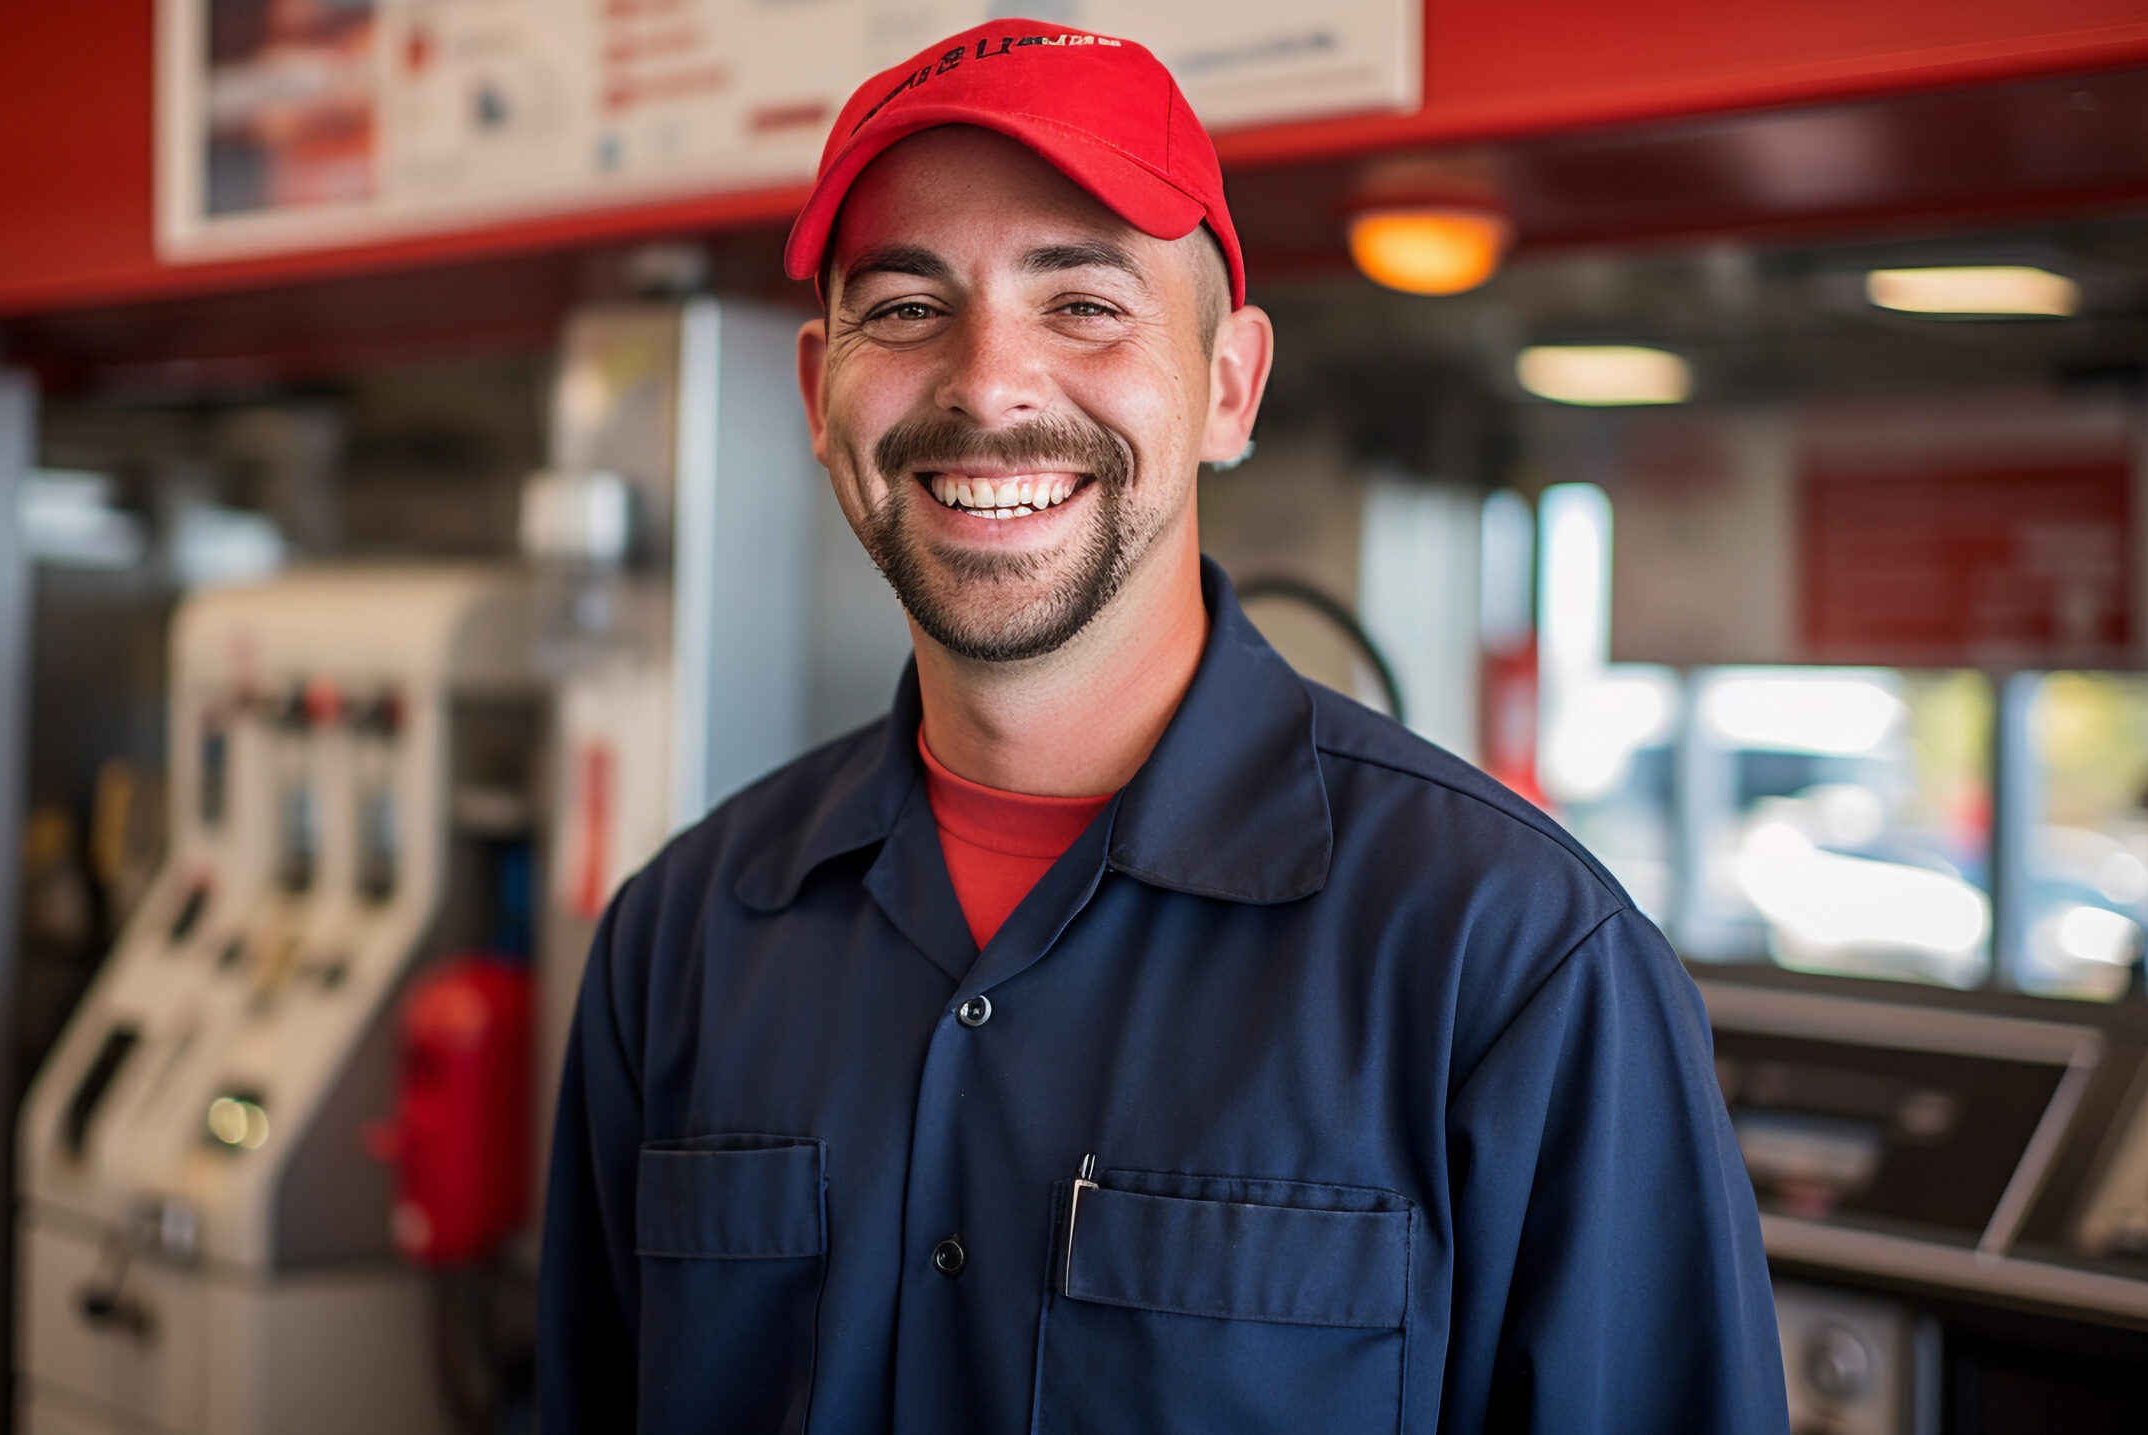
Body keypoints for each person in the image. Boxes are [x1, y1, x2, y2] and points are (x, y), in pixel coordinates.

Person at [539, 18, 1787, 1433]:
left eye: (1082, 303)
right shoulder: (683, 939)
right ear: (819, 394)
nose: (988, 382)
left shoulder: (1510, 960)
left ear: (1231, 385)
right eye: (905, 307)